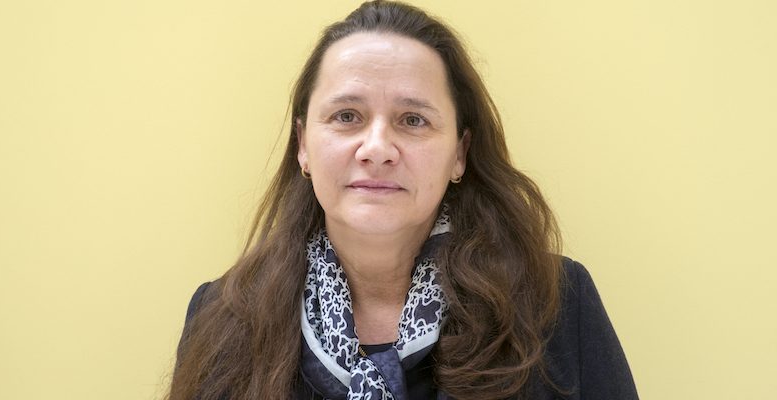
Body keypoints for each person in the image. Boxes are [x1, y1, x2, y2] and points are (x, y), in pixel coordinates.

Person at [167, 1, 638, 399]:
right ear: (303, 146)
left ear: (459, 154)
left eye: (413, 120)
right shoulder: (223, 317)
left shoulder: (555, 304)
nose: (377, 149)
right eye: (347, 116)